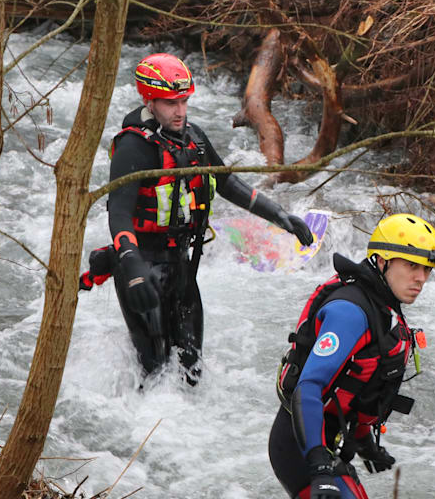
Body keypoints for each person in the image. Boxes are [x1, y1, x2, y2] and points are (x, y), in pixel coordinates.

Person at [88, 52, 313, 384]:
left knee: (191, 372)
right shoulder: (133, 148)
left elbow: (227, 182)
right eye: (170, 104)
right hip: (139, 266)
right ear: (149, 100)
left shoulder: (193, 137)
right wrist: (132, 266)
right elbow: (119, 212)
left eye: (184, 101)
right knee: (155, 373)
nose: (180, 111)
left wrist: (279, 215)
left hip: (180, 266)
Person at [268, 213, 435, 499]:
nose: (421, 278)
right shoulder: (350, 312)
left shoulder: (385, 308)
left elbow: (363, 386)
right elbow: (308, 388)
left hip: (328, 448)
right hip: (301, 449)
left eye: (427, 270)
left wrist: (365, 442)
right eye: (412, 266)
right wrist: (319, 466)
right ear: (380, 261)